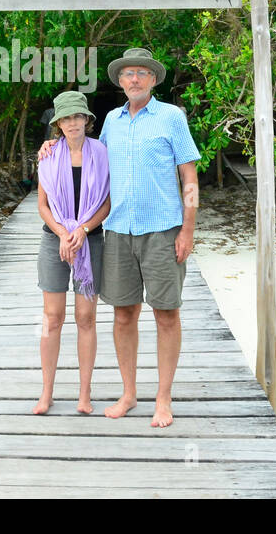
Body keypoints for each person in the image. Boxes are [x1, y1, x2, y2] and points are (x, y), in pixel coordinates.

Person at [39, 48, 199, 428]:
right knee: (124, 314)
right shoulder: (111, 120)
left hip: (162, 230)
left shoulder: (172, 117)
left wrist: (188, 229)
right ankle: (129, 393)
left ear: (154, 80)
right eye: (128, 73)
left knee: (166, 314)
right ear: (120, 81)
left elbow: (189, 179)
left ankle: (163, 398)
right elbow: (86, 156)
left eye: (142, 73)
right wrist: (50, 146)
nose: (134, 79)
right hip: (118, 231)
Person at [34, 91, 111, 416]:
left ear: (87, 121)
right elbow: (42, 205)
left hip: (89, 240)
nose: (73, 123)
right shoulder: (49, 155)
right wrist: (64, 232)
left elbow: (107, 202)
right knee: (52, 319)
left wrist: (82, 230)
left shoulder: (102, 153)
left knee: (86, 318)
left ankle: (84, 394)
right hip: (55, 240)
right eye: (66, 118)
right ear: (58, 124)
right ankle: (47, 393)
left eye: (78, 117)